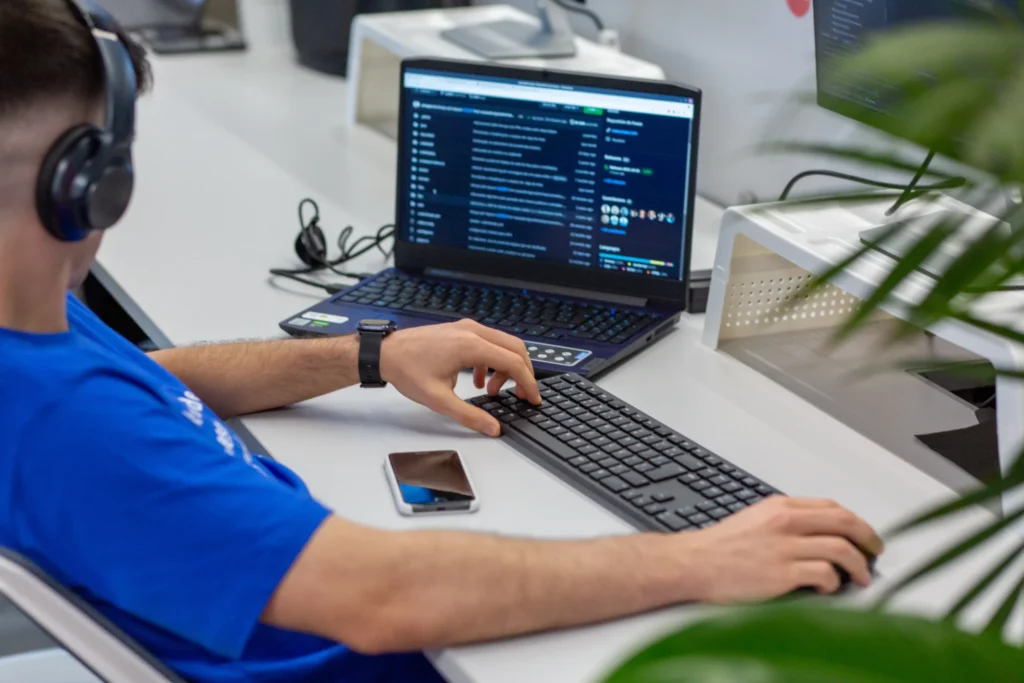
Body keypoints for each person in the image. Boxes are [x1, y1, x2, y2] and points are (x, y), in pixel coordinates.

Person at [0, 2, 885, 682]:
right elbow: (384, 596)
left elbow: (138, 372)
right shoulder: (69, 424)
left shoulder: (31, 315)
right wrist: (700, 554)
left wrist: (366, 355)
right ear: (85, 184)